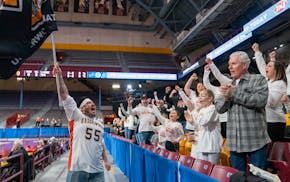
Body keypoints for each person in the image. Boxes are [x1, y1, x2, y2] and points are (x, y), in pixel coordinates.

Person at [215, 51, 271, 171]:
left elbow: (260, 101)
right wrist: (226, 97)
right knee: (238, 177)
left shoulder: (258, 79)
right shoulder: (228, 85)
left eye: (233, 64)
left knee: (259, 178)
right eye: (229, 64)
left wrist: (234, 93)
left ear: (244, 65)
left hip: (255, 140)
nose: (230, 67)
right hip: (234, 143)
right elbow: (219, 109)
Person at [53, 64, 111, 182]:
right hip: (78, 169)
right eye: (89, 103)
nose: (93, 104)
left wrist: (106, 160)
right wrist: (59, 76)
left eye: (93, 103)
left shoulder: (100, 124)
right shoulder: (76, 115)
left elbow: (101, 144)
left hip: (98, 171)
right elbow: (64, 94)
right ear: (82, 108)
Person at [252, 43, 287, 142]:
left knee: (273, 153)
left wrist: (261, 87)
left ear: (276, 71)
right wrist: (257, 52)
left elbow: (270, 103)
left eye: (269, 66)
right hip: (265, 121)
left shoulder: (280, 83)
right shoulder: (268, 81)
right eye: (267, 66)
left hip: (275, 122)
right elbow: (261, 66)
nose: (266, 68)